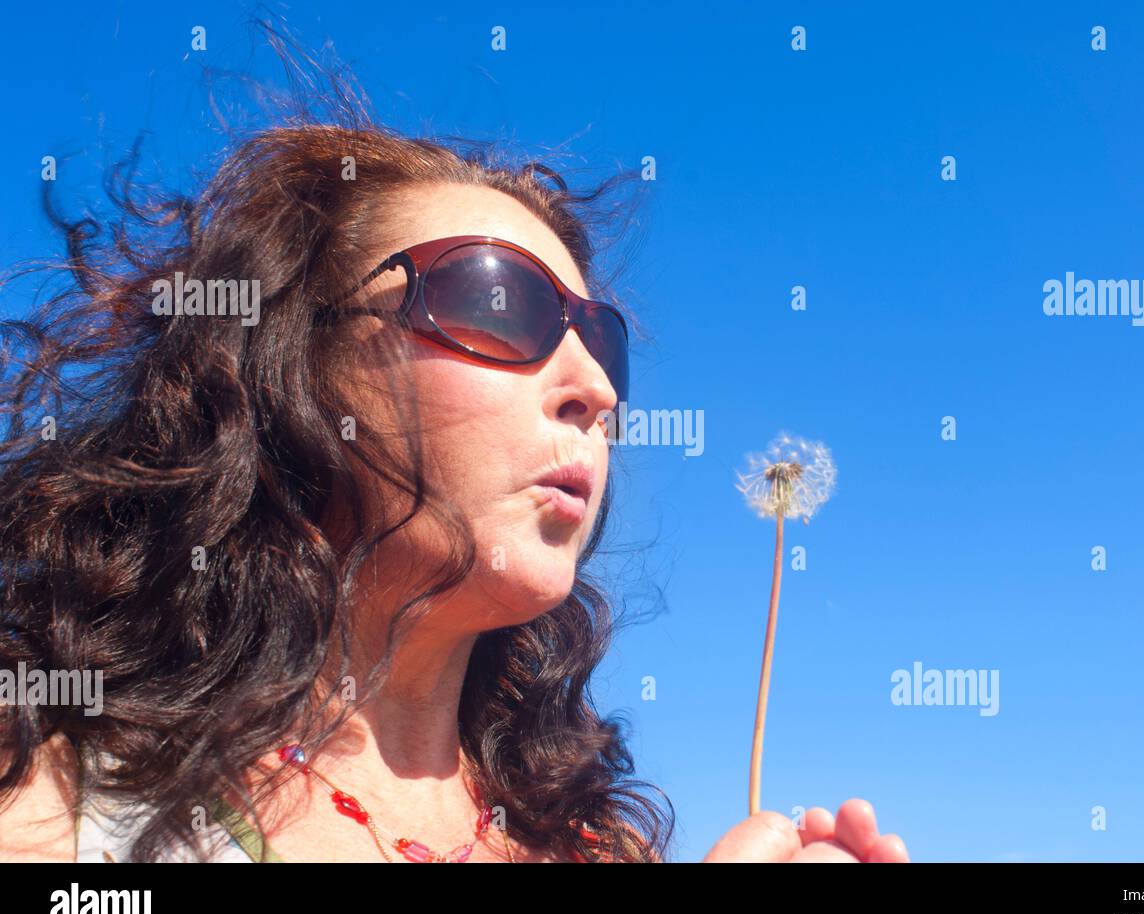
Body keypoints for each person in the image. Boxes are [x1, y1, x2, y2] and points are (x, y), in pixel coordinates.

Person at [0, 109, 909, 864]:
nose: (594, 388)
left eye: (605, 342)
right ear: (291, 363)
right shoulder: (57, 812)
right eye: (497, 303)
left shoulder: (601, 850)